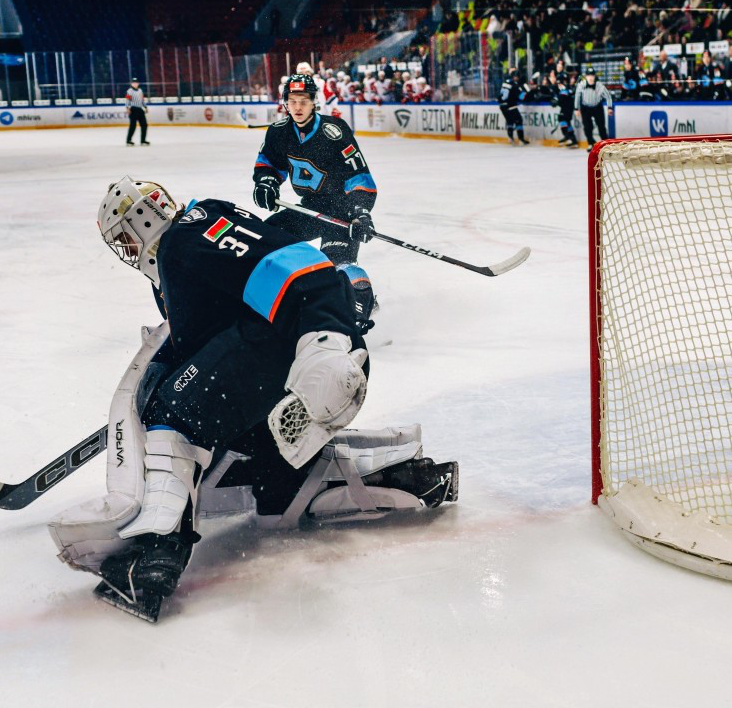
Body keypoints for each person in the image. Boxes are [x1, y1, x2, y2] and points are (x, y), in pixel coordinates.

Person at [49, 177, 457, 620]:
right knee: (272, 485)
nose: (130, 251)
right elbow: (200, 340)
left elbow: (296, 265)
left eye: (127, 238)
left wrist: (323, 340)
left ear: (143, 217)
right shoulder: (175, 265)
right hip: (276, 371)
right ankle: (404, 478)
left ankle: (150, 552)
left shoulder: (190, 230)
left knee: (175, 415)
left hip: (312, 353)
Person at [251, 73, 378, 332]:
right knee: (263, 243)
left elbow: (358, 176)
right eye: (292, 100)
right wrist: (266, 182)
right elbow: (268, 164)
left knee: (338, 267)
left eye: (304, 100)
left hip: (341, 211)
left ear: (314, 102)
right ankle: (273, 305)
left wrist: (361, 212)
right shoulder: (279, 133)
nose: (298, 107)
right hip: (307, 208)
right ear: (285, 102)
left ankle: (359, 312)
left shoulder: (334, 132)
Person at [574, 67, 612, 147]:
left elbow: (608, 96)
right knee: (587, 127)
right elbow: (577, 95)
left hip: (597, 107)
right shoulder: (582, 84)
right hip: (585, 107)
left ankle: (606, 144)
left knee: (601, 127)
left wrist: (609, 107)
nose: (590, 77)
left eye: (592, 75)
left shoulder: (599, 85)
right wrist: (576, 108)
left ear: (594, 76)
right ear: (586, 76)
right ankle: (591, 143)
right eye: (588, 75)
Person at [497, 68, 530, 146]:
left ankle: (510, 137)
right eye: (517, 77)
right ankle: (521, 138)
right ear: (515, 77)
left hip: (502, 105)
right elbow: (522, 97)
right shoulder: (515, 85)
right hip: (510, 105)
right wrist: (527, 92)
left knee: (510, 121)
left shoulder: (505, 82)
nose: (518, 78)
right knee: (518, 120)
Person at [548, 70, 578, 148]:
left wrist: (556, 101)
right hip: (567, 106)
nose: (559, 84)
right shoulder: (564, 86)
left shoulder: (565, 87)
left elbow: (563, 96)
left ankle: (568, 136)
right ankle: (573, 139)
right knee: (566, 121)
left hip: (568, 106)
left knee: (562, 119)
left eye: (560, 82)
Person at [124, 78, 149, 147]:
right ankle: (128, 141)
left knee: (144, 125)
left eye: (136, 82)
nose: (135, 84)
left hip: (140, 109)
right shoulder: (129, 91)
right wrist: (127, 108)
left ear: (138, 83)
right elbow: (127, 100)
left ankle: (143, 140)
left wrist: (145, 107)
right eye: (133, 82)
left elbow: (142, 100)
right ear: (131, 83)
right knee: (133, 126)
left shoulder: (140, 91)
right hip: (133, 109)